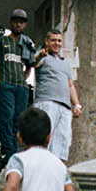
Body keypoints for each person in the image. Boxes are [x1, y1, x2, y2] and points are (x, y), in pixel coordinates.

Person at [0, 9, 37, 163]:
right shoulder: (1, 40)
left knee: (19, 120)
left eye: (21, 22)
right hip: (6, 85)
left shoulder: (27, 43)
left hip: (21, 87)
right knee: (6, 118)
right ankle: (7, 153)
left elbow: (30, 65)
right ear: (11, 22)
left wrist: (24, 79)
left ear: (25, 24)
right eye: (16, 21)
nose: (18, 24)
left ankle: (16, 152)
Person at [32, 27, 82, 162]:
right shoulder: (42, 55)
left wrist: (77, 104)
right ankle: (40, 168)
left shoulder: (65, 62)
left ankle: (56, 170)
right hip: (46, 102)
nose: (57, 43)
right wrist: (40, 55)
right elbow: (34, 63)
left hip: (65, 107)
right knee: (44, 138)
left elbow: (70, 84)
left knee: (63, 141)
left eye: (59, 41)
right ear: (46, 41)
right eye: (53, 40)